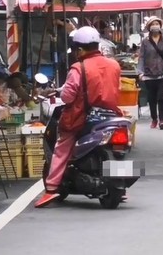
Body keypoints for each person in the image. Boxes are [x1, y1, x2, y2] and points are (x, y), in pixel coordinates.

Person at [35, 26, 123, 208]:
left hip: (83, 116)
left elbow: (67, 96)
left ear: (80, 49)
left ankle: (51, 188)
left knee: (62, 147)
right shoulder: (114, 64)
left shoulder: (78, 68)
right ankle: (119, 184)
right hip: (111, 114)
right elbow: (117, 89)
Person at [137, 16, 163, 130]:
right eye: (153, 24)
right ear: (149, 27)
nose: (155, 25)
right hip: (149, 74)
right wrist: (140, 72)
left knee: (161, 97)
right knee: (151, 99)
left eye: (157, 23)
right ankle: (154, 119)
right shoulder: (145, 41)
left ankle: (162, 120)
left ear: (160, 26)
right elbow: (141, 57)